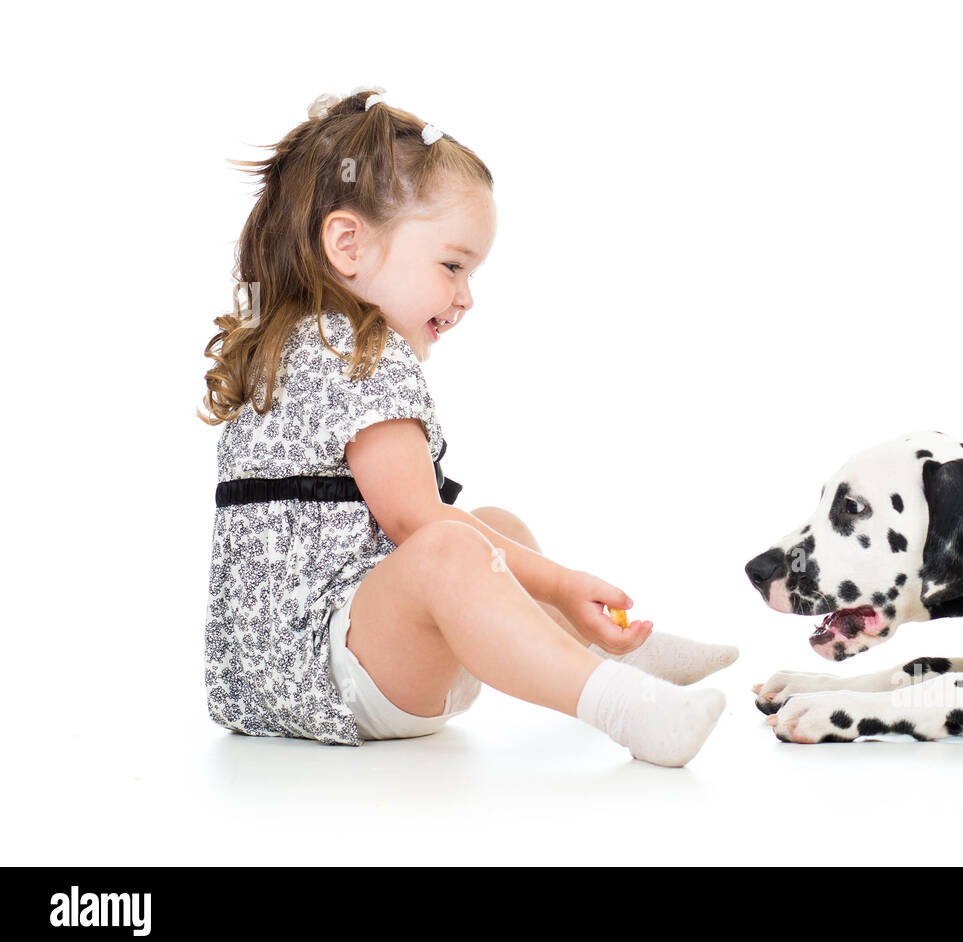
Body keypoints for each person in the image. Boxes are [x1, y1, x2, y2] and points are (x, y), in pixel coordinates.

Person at [198, 86, 735, 767]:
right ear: (348, 242)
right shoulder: (362, 357)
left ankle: (612, 651)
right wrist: (563, 582)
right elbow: (417, 524)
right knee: (450, 545)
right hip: (333, 677)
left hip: (269, 679)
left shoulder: (296, 347)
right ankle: (621, 701)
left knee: (496, 527)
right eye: (452, 265)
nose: (466, 296)